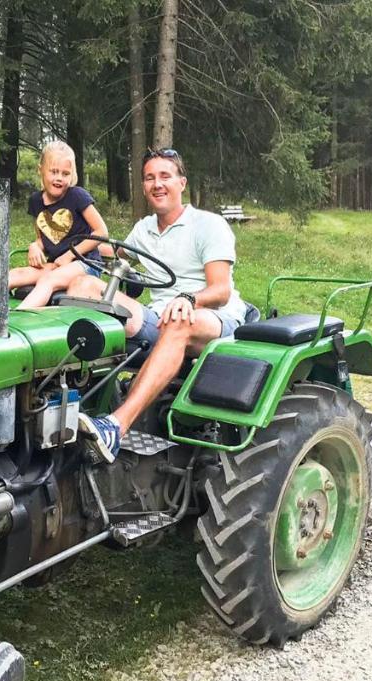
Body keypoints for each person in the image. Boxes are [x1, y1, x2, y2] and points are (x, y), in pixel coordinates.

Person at [72, 148, 249, 462]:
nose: (157, 184)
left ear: (181, 183)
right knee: (85, 287)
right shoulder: (144, 229)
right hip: (162, 317)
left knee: (178, 321)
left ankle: (115, 426)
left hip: (215, 318)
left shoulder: (208, 225)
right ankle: (73, 405)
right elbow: (113, 254)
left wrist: (189, 298)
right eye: (150, 178)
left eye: (165, 176)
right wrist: (60, 250)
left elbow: (220, 290)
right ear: (143, 187)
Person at [0, 140, 110, 312]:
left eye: (65, 174)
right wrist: (35, 246)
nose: (59, 178)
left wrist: (69, 255)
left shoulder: (77, 196)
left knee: (47, 280)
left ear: (72, 175)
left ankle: (18, 318)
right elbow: (44, 236)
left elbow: (101, 233)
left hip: (85, 264)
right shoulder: (36, 201)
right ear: (40, 169)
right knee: (17, 274)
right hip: (57, 265)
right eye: (54, 171)